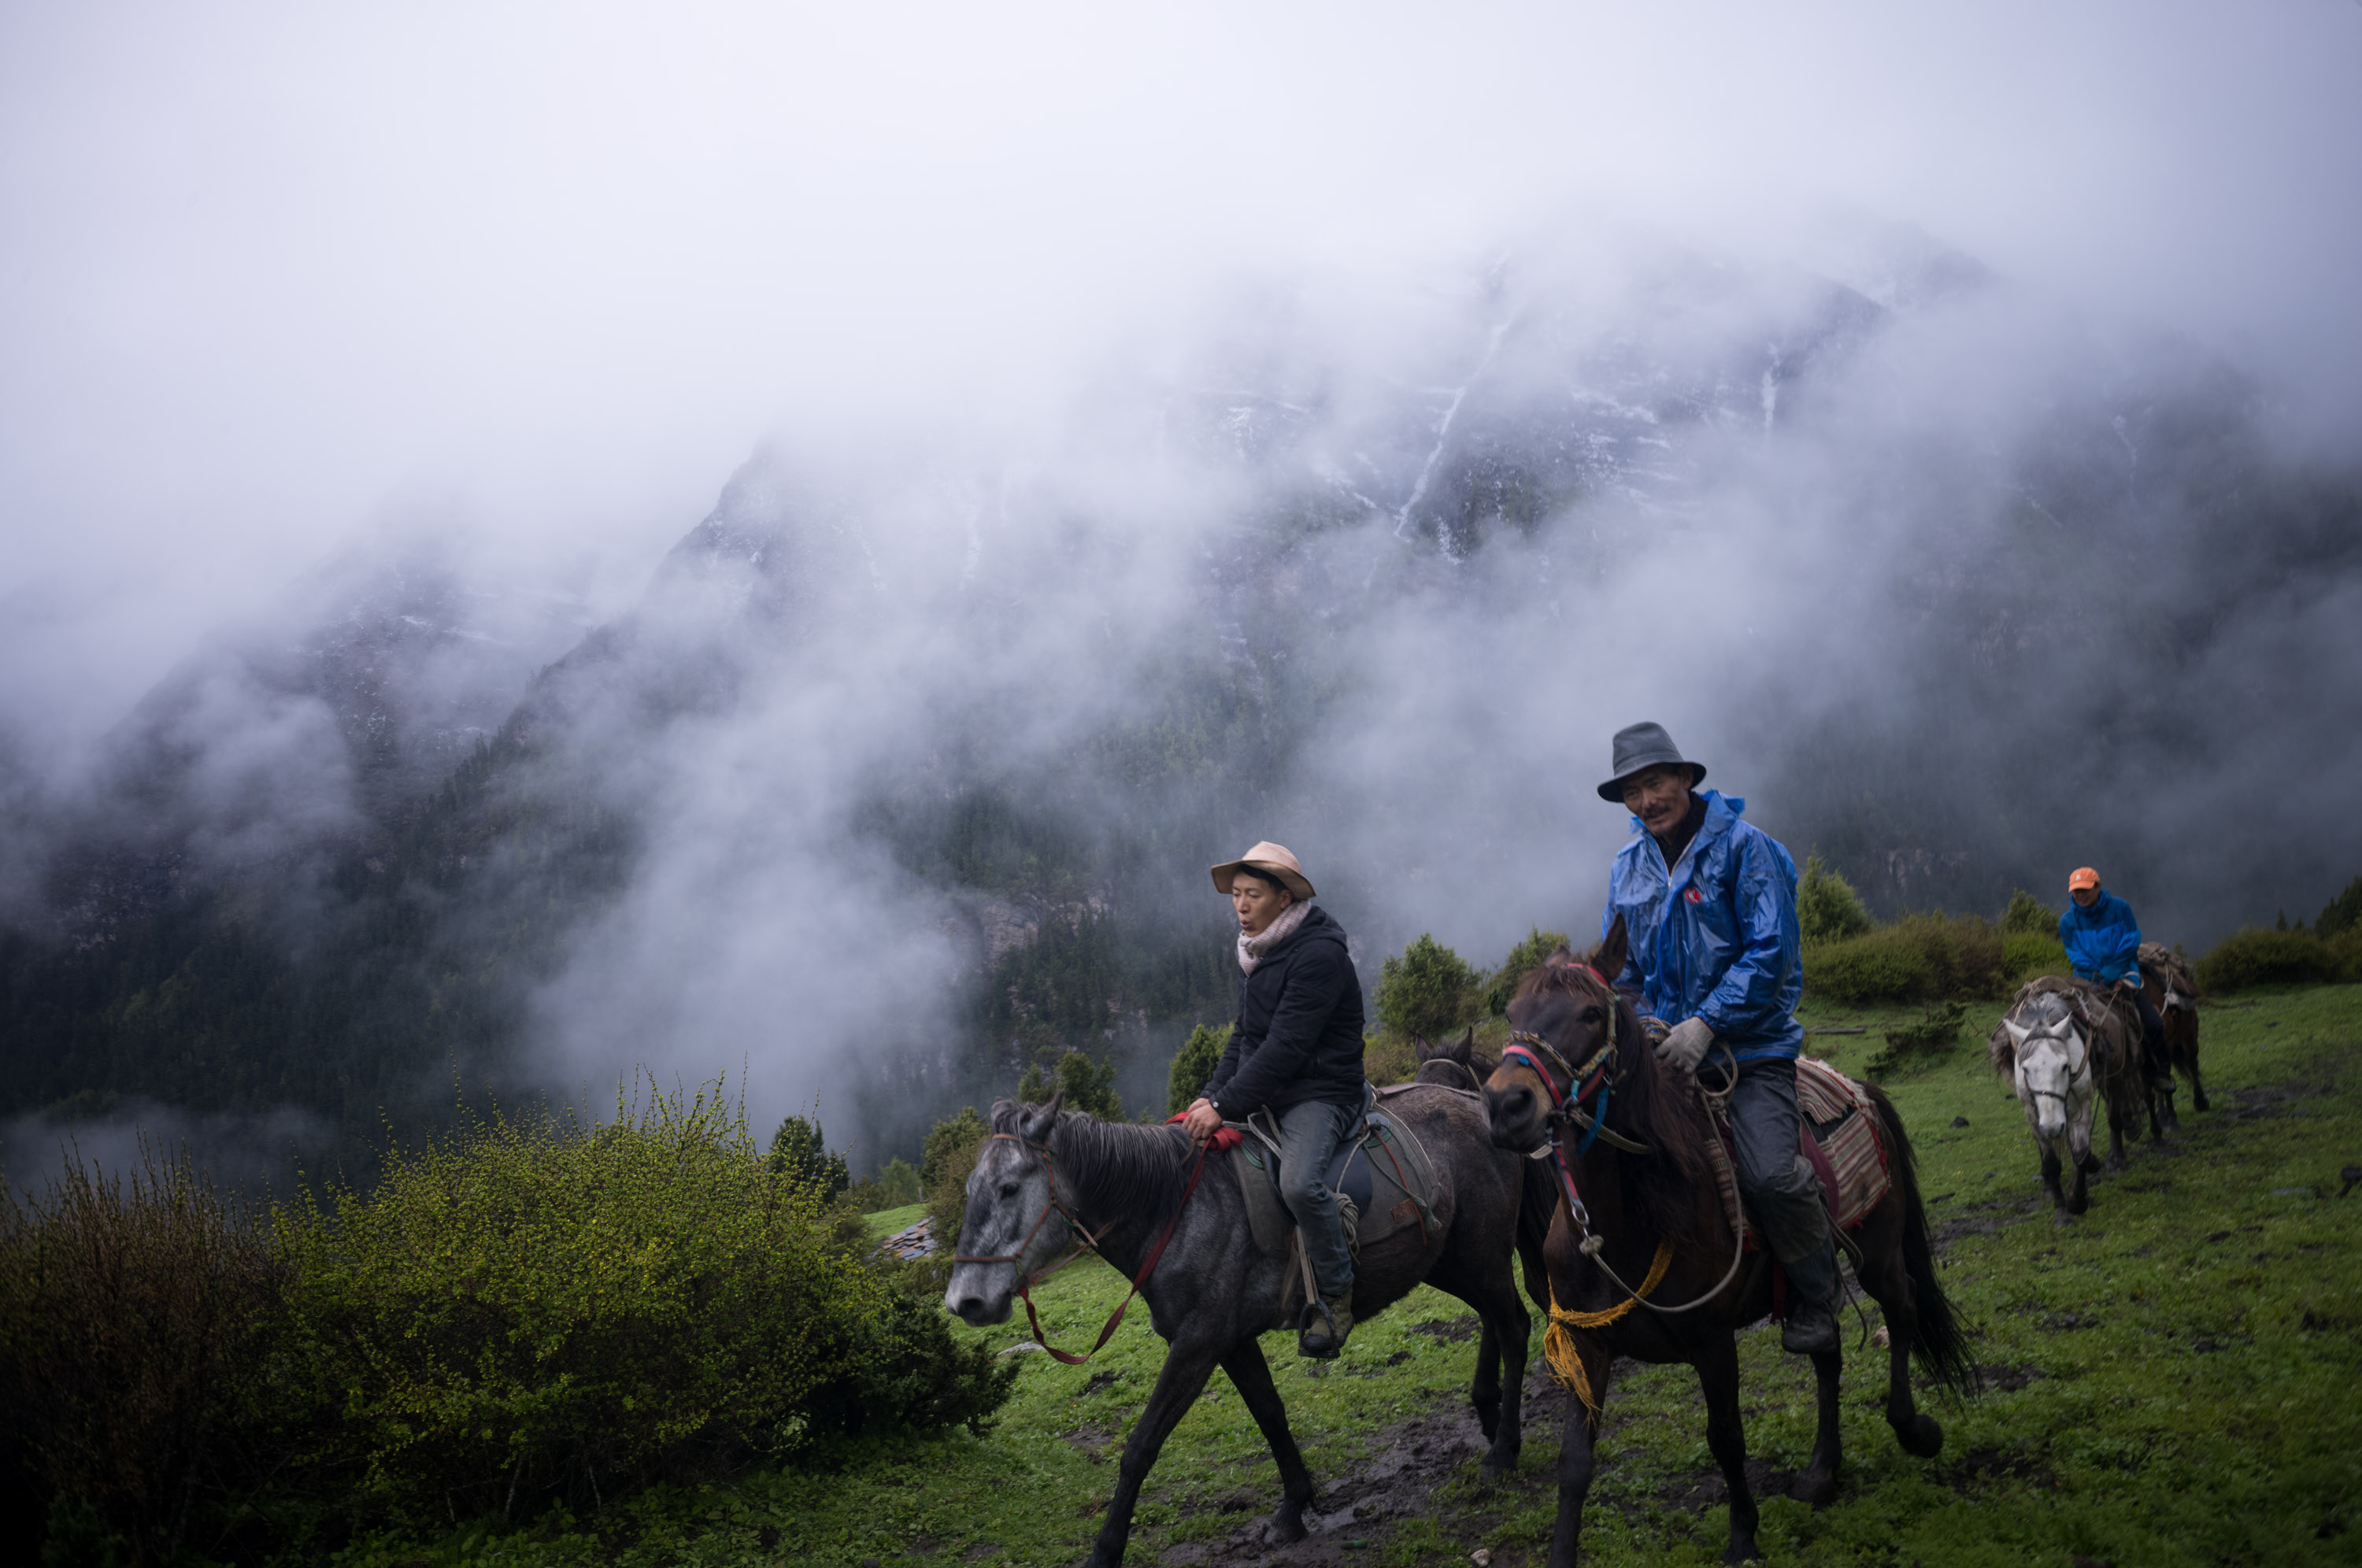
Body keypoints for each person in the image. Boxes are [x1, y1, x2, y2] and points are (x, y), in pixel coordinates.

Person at [1594, 722, 1838, 1355]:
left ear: (1685, 779)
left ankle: (1819, 1294)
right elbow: (1621, 969)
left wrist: (1708, 1023)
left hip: (1750, 1052)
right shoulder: (1627, 868)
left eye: (1655, 783)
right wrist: (1643, 1023)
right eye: (1632, 792)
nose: (1646, 801)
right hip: (1662, 1055)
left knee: (1770, 1178)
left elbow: (1772, 953)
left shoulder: (1748, 850)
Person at [1180, 841, 1368, 1358]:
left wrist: (1225, 1106)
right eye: (1236, 895)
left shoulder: (1318, 956)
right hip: (1278, 1088)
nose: (1240, 905)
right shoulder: (1260, 951)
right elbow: (1244, 1039)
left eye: (1253, 895)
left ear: (1284, 899)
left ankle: (1337, 1296)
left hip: (1323, 1091)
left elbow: (1285, 1049)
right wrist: (1210, 1095)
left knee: (1299, 1184)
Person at [2059, 867, 2168, 1077]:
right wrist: (2101, 977)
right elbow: (2076, 955)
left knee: (2153, 1023)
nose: (2080, 896)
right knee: (2070, 1024)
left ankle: (2161, 1072)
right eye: (2076, 891)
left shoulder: (2120, 909)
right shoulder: (2068, 921)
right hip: (2087, 979)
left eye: (2085, 890)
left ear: (2098, 887)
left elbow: (2130, 941)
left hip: (2124, 973)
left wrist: (2114, 973)